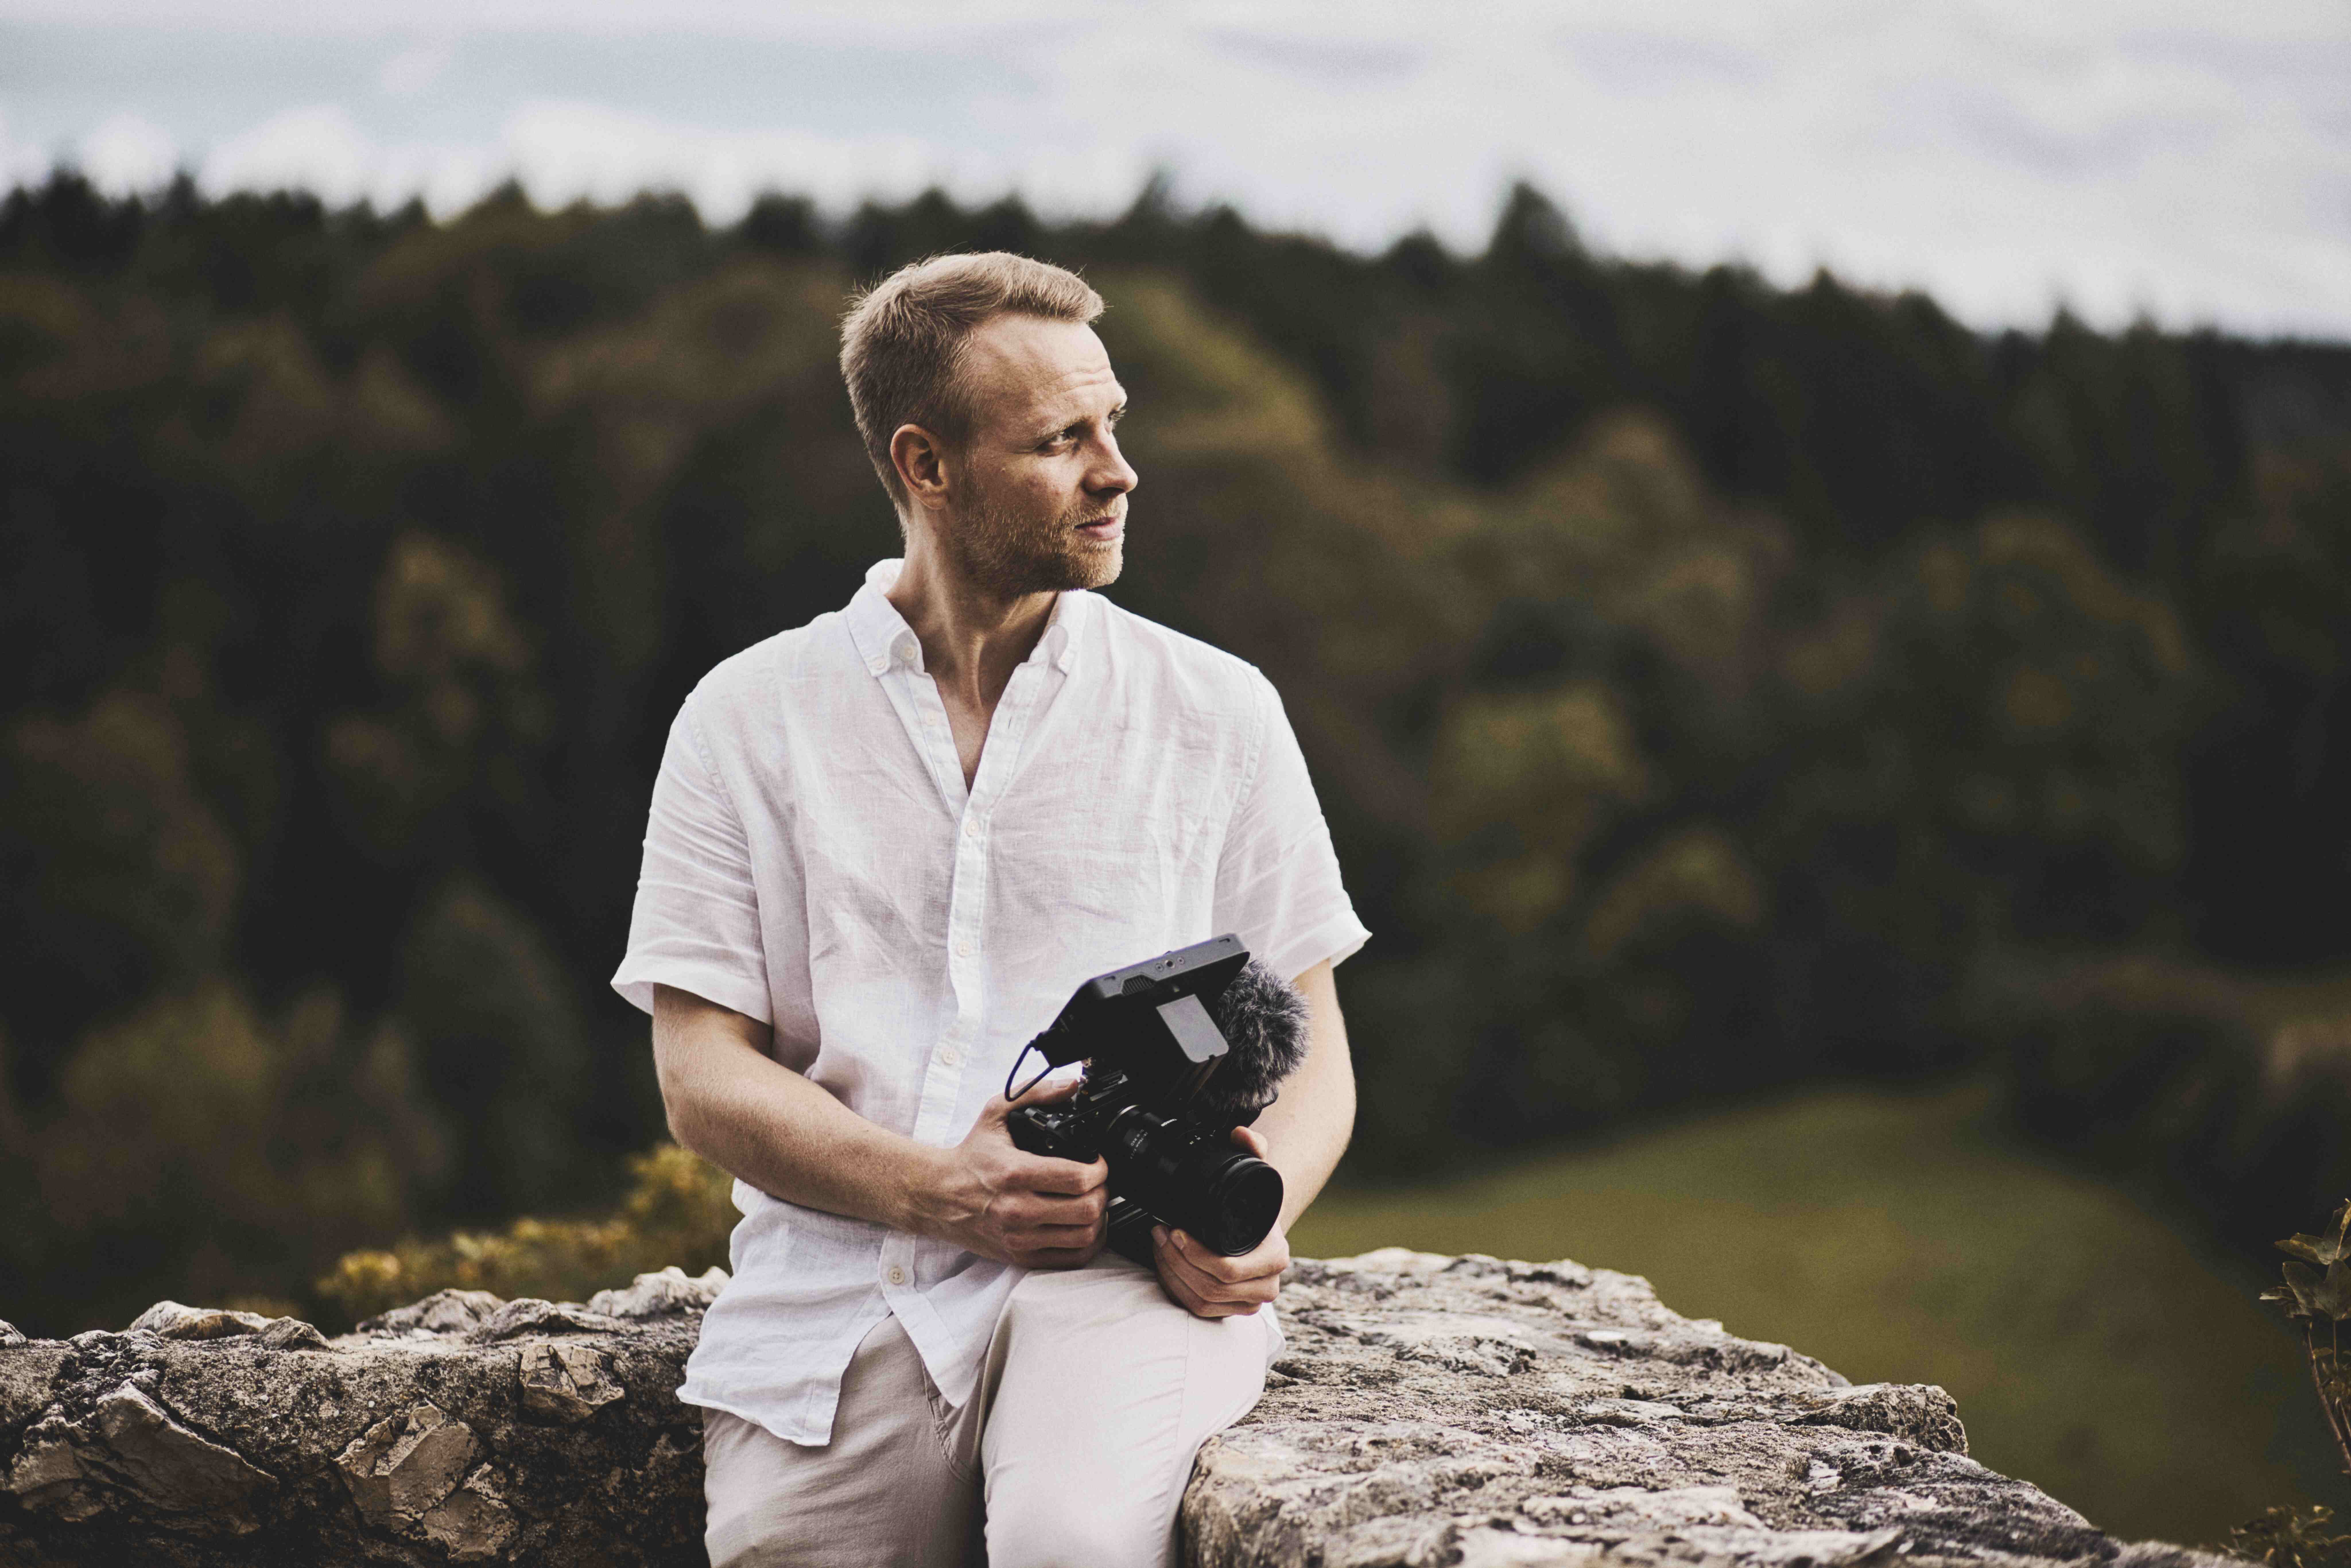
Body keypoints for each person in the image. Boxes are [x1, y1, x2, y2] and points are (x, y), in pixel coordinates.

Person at [612, 252, 1368, 1568]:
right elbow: (698, 1076)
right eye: (1061, 440)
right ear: (925, 465)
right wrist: (940, 1190)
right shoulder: (745, 716)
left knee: (1067, 1547)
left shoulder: (1217, 710)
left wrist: (1253, 1221)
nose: (1116, 469)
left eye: (1112, 423)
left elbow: (1320, 1054)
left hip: (1120, 1289)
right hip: (831, 1314)